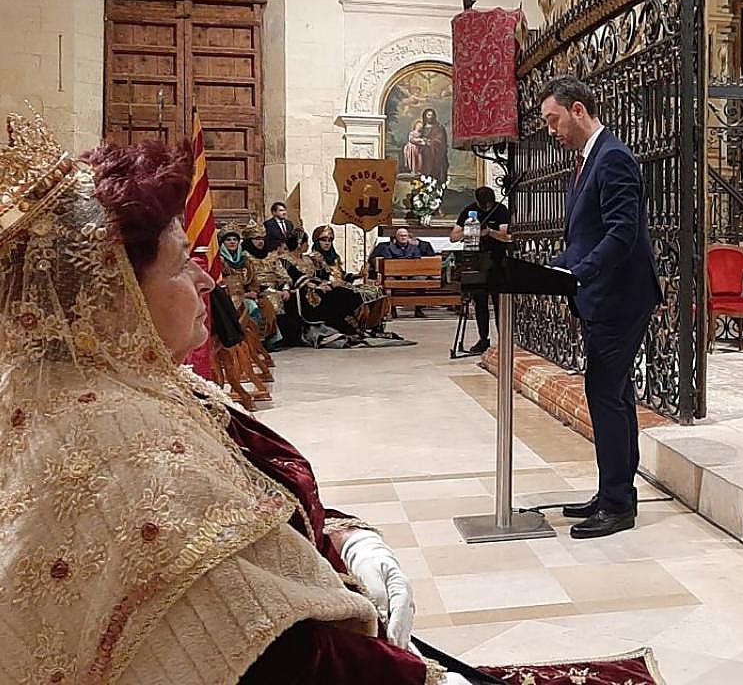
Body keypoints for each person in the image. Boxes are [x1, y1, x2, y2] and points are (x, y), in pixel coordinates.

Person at [0, 116, 494, 683]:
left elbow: (255, 500)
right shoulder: (132, 459)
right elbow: (275, 651)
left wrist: (343, 538)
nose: (206, 281)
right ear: (116, 295)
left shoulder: (130, 384)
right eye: (183, 262)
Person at [540, 76, 662, 540]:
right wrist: (553, 268)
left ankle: (617, 504)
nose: (551, 131)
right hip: (605, 294)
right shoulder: (591, 159)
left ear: (577, 109)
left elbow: (621, 233)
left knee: (606, 397)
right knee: (611, 396)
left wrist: (579, 273)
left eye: (553, 120)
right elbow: (586, 236)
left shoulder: (613, 158)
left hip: (619, 297)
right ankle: (613, 493)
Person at [449, 186, 511, 354]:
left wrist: (490, 232)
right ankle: (483, 339)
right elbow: (453, 237)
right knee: (480, 301)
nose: (486, 208)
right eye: (483, 205)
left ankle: (504, 339)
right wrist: (470, 231)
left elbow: (506, 236)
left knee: (499, 302)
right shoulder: (469, 211)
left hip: (497, 260)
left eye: (489, 204)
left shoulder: (501, 210)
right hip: (476, 259)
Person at [310, 224, 390, 334]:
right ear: (316, 240)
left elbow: (343, 275)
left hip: (343, 285)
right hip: (327, 291)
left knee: (377, 290)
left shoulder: (334, 258)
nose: (327, 243)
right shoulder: (313, 259)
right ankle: (356, 326)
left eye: (330, 240)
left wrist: (359, 275)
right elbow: (313, 278)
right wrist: (330, 283)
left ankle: (373, 324)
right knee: (354, 295)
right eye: (324, 240)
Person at [219, 226, 282, 349]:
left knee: (266, 304)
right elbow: (221, 283)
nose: (232, 242)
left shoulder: (245, 260)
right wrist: (243, 295)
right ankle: (250, 342)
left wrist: (253, 291)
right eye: (228, 240)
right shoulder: (219, 262)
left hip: (247, 295)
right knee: (249, 306)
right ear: (222, 243)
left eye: (235, 240)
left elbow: (253, 281)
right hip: (230, 298)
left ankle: (264, 339)